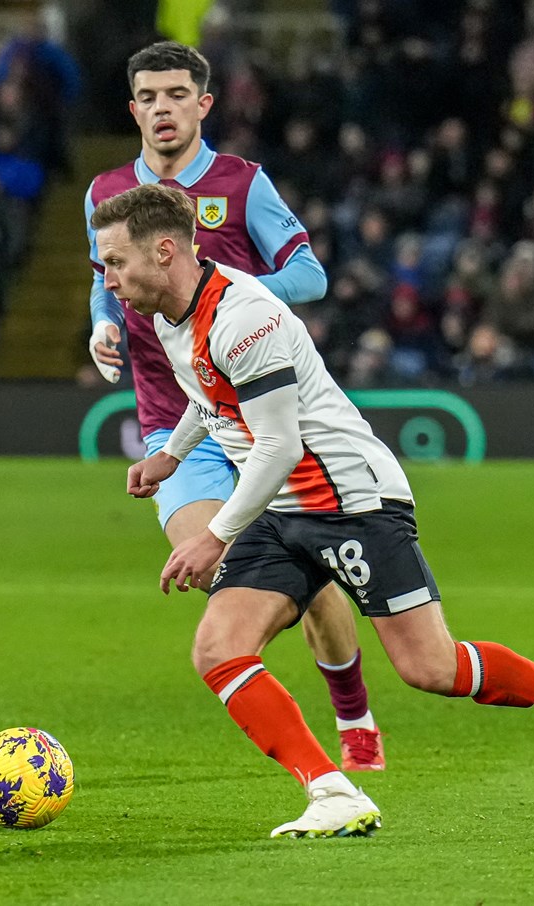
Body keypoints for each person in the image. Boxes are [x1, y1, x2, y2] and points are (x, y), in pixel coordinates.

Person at [94, 183, 534, 838]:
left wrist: (213, 535)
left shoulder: (244, 317)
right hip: (281, 507)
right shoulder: (167, 316)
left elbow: (279, 445)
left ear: (164, 251)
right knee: (217, 647)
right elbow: (209, 396)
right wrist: (172, 456)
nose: (108, 278)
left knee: (430, 669)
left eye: (114, 262)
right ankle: (331, 792)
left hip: (351, 499)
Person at [83, 42, 387, 772]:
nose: (162, 108)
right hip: (174, 417)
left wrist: (232, 298)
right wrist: (100, 319)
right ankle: (304, 749)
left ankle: (356, 718)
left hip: (260, 414)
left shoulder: (241, 185)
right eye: (148, 97)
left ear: (202, 104)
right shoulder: (104, 192)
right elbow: (103, 274)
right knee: (228, 573)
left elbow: (308, 276)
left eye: (176, 94)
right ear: (133, 110)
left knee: (308, 583)